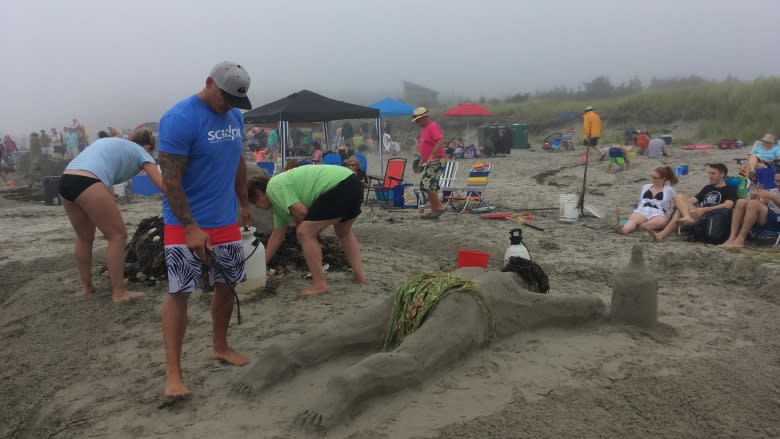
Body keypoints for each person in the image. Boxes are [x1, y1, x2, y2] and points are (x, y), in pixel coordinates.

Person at [233, 268, 606, 431]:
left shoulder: (471, 266)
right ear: (530, 282)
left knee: (343, 331)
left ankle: (282, 355)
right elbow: (582, 305)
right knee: (413, 360)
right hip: (465, 305)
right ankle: (352, 383)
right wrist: (603, 305)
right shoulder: (520, 294)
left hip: (422, 287)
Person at [158, 61, 254, 399]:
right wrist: (190, 227)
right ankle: (173, 375)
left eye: (235, 101)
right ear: (209, 82)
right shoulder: (180, 118)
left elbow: (237, 160)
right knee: (180, 291)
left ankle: (221, 346)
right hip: (183, 222)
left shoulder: (235, 116)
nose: (227, 105)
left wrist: (243, 203)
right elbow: (170, 179)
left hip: (225, 217)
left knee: (227, 283)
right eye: (224, 97)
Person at [58, 129, 163, 302]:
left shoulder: (113, 143)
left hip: (67, 180)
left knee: (84, 238)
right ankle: (119, 293)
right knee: (117, 236)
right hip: (89, 181)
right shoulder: (142, 152)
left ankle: (87, 288)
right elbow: (162, 185)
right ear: (148, 147)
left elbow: (107, 181)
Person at [248, 165, 366, 297]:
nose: (258, 208)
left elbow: (302, 213)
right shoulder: (278, 206)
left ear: (258, 193)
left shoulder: (273, 187)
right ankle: (359, 276)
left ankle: (319, 284)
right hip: (352, 182)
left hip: (338, 186)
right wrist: (261, 264)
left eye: (255, 203)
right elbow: (277, 236)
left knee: (305, 232)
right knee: (343, 232)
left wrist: (305, 233)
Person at [649, 163, 738, 241]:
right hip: (696, 214)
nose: (709, 176)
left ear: (722, 174)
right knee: (678, 197)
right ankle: (686, 218)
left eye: (713, 173)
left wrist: (704, 210)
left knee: (680, 207)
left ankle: (661, 234)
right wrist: (680, 203)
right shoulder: (708, 188)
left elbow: (728, 205)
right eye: (709, 173)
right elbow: (692, 200)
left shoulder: (730, 189)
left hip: (712, 217)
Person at [719, 172, 780, 249]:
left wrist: (773, 197)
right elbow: (762, 205)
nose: (777, 184)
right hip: (768, 218)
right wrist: (755, 197)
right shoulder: (773, 191)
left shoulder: (772, 194)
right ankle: (732, 237)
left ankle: (740, 239)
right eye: (776, 181)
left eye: (779, 181)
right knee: (741, 202)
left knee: (753, 204)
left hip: (777, 221)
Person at [615, 166, 678, 235]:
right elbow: (641, 201)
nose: (653, 179)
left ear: (663, 178)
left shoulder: (669, 190)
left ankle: (639, 226)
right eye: (652, 177)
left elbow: (675, 205)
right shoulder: (646, 186)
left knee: (661, 221)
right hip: (643, 209)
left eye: (655, 178)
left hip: (658, 212)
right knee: (633, 219)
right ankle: (624, 230)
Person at [412, 107, 447, 218]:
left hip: (436, 160)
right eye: (416, 121)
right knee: (431, 186)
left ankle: (440, 206)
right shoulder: (425, 129)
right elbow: (426, 146)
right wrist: (422, 160)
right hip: (429, 162)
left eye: (419, 120)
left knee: (425, 185)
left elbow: (440, 140)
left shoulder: (432, 126)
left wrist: (431, 156)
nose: (417, 122)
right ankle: (433, 211)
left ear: (425, 117)